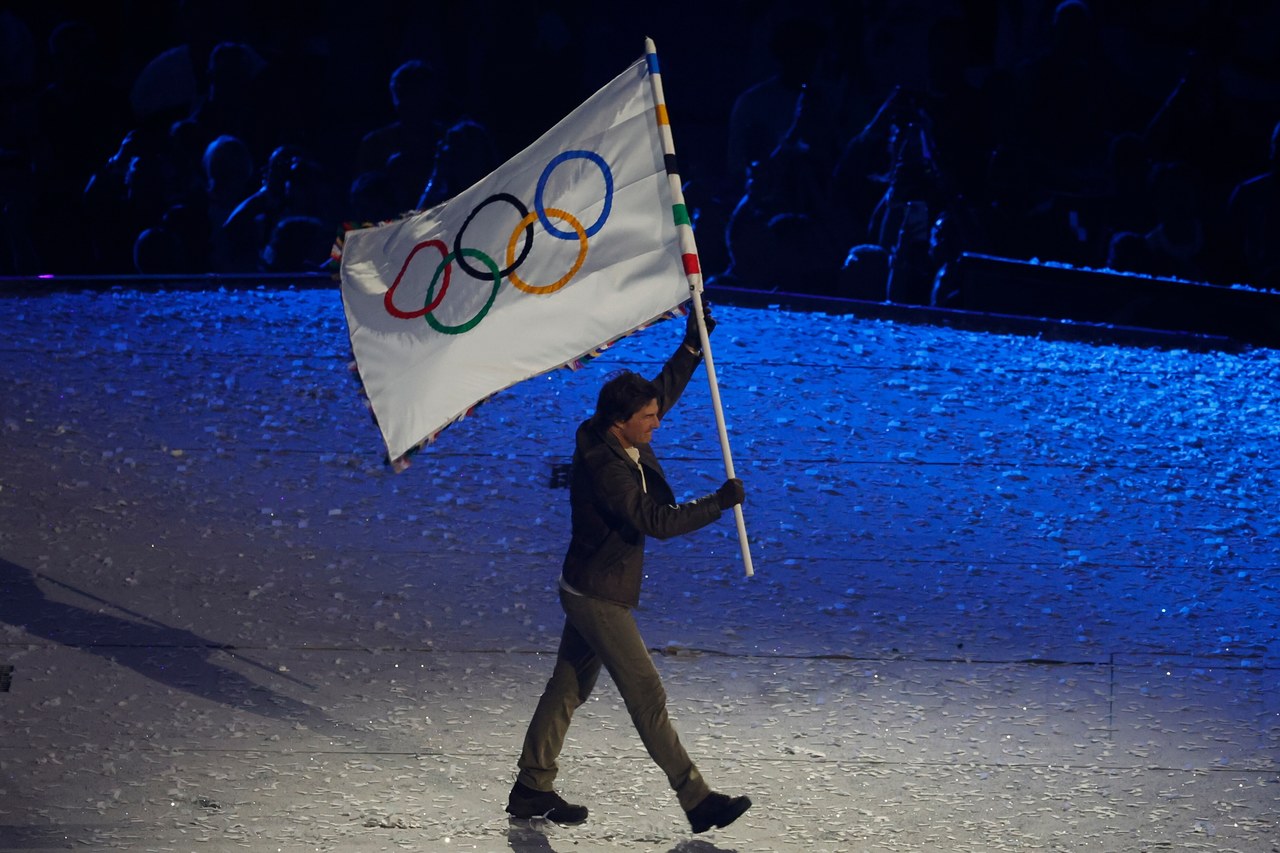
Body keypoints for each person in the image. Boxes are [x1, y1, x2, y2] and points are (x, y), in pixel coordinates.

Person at [507, 307, 752, 835]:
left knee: (567, 689)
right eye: (648, 420)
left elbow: (660, 392)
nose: (657, 423)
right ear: (621, 424)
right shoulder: (608, 468)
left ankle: (532, 786)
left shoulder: (614, 432)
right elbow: (655, 521)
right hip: (599, 595)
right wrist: (718, 502)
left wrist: (691, 346)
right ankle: (697, 799)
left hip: (587, 584)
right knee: (647, 697)